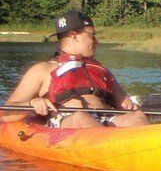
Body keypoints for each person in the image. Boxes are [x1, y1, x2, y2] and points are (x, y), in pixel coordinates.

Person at [3, 10, 149, 128]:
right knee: (81, 118)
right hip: (68, 122)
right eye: (92, 36)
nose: (97, 41)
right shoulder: (42, 70)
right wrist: (32, 103)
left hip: (104, 119)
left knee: (137, 118)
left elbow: (125, 104)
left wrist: (131, 106)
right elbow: (7, 112)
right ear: (74, 36)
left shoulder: (100, 70)